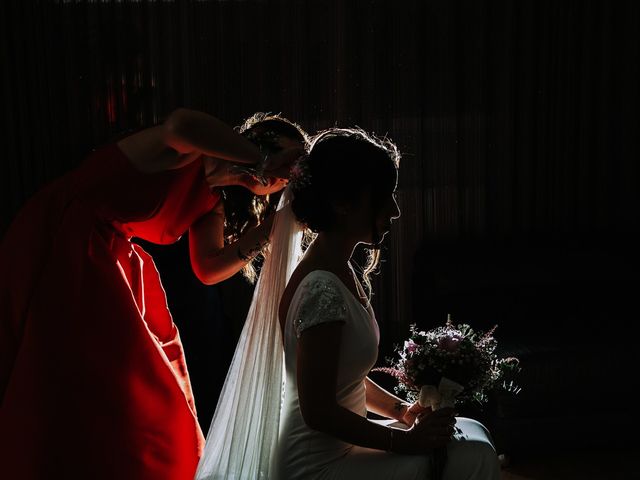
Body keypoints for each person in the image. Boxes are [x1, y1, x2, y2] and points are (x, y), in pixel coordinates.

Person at [0, 108, 306, 480]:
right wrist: (257, 159)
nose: (280, 174)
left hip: (109, 259)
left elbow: (208, 269)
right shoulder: (188, 150)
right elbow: (180, 123)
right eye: (282, 157)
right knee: (67, 380)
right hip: (60, 239)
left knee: (147, 394)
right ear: (253, 143)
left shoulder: (213, 202)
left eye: (290, 173)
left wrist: (274, 225)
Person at [196, 128, 500, 480]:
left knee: (473, 432)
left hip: (340, 449)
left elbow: (345, 378)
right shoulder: (320, 289)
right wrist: (404, 442)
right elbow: (319, 411)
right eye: (384, 198)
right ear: (343, 204)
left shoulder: (338, 271)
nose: (396, 211)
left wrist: (402, 412)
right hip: (317, 466)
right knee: (473, 456)